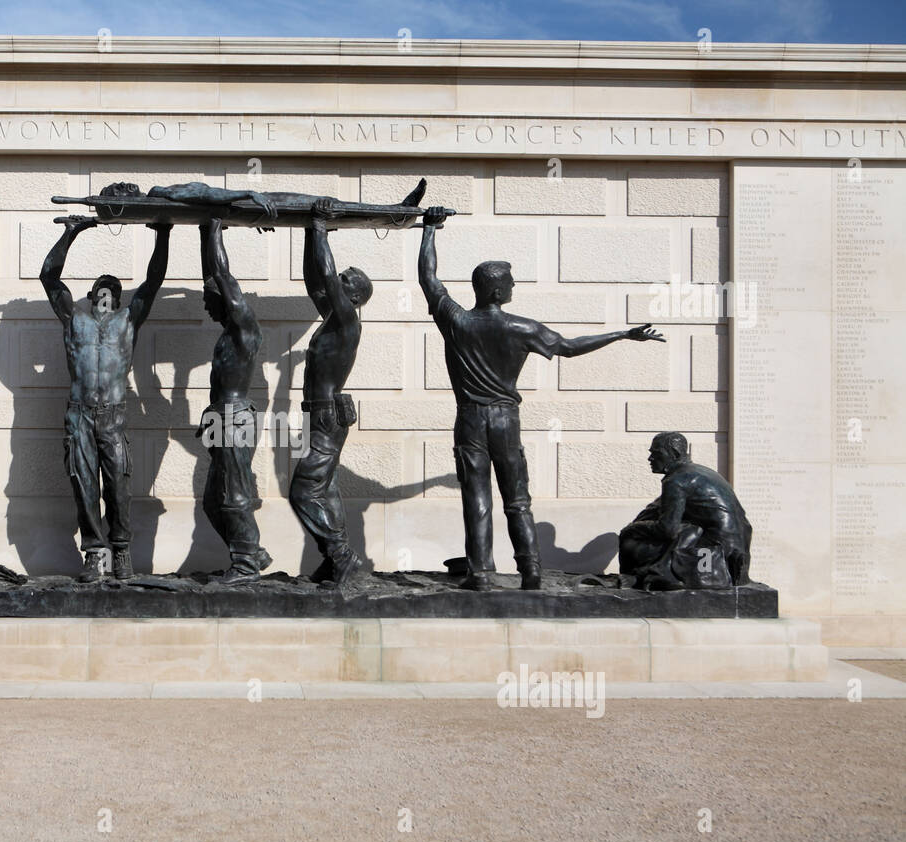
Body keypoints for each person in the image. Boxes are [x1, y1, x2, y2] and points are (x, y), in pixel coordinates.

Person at [418, 207, 665, 590]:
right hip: (504, 420)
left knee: (477, 499)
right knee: (517, 499)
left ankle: (481, 573)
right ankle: (530, 571)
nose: (515, 287)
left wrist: (429, 230)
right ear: (497, 291)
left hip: (470, 419)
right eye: (511, 283)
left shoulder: (457, 321)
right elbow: (569, 346)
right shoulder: (521, 328)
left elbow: (428, 278)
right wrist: (620, 334)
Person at [40, 215, 171, 582]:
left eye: (110, 290)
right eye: (100, 289)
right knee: (84, 484)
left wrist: (163, 231)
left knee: (119, 486)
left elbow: (154, 280)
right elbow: (49, 278)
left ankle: (122, 550)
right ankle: (95, 554)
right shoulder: (74, 321)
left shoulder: (128, 321)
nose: (104, 294)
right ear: (91, 296)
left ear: (117, 298)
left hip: (113, 414)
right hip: (79, 414)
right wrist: (71, 232)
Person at [289, 197, 374, 586]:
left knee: (303, 492)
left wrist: (321, 225)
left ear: (353, 297)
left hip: (325, 414)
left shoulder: (347, 321)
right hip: (318, 413)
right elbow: (315, 279)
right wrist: (311, 232)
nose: (336, 283)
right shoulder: (334, 321)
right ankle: (334, 562)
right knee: (327, 489)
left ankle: (342, 555)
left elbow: (325, 275)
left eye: (343, 283)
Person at [196, 216, 270, 584]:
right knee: (212, 501)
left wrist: (214, 230)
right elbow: (213, 277)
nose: (206, 308)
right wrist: (203, 233)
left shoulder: (244, 328)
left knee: (232, 493)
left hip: (236, 418)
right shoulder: (228, 332)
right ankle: (252, 552)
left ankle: (245, 564)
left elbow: (224, 278)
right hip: (220, 419)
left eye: (209, 301)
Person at [619, 432, 752, 590]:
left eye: (656, 453)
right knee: (686, 530)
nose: (650, 459)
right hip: (738, 552)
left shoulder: (676, 481)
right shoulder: (703, 472)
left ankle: (646, 576)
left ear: (673, 453)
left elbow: (667, 529)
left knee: (631, 543)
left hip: (715, 555)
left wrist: (633, 528)